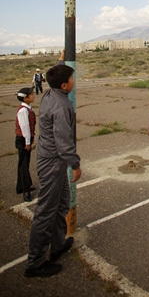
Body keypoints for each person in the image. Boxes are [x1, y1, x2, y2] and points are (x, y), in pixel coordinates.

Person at [25, 50, 81, 278]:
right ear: (65, 85)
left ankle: (57, 246)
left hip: (54, 160)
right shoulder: (61, 106)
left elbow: (54, 74)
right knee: (46, 212)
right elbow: (64, 142)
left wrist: (60, 59)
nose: (74, 81)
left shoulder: (51, 93)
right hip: (53, 163)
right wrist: (75, 164)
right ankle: (35, 263)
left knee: (61, 204)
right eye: (71, 78)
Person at [15, 86, 36, 202]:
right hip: (23, 139)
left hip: (24, 139)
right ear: (25, 99)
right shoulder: (23, 111)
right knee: (24, 165)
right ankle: (26, 190)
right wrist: (28, 142)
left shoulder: (27, 108)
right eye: (31, 94)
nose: (33, 96)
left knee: (23, 163)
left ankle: (20, 187)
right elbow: (25, 128)